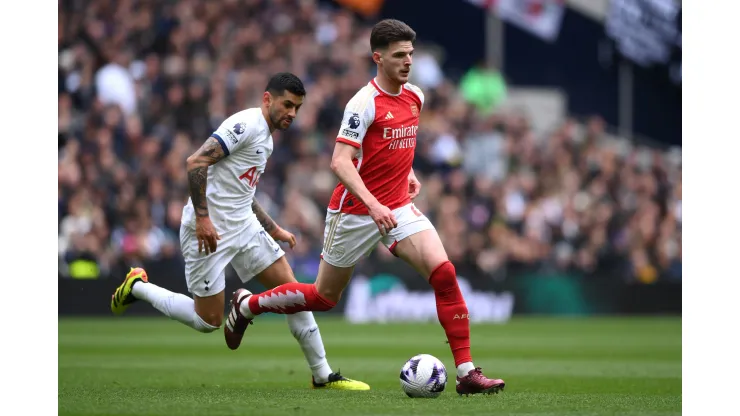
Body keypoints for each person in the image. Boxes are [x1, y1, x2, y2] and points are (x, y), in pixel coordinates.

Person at [223, 21, 506, 396]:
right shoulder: (363, 103)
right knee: (324, 297)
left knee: (445, 274)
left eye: (410, 54)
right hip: (355, 211)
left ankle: (467, 373)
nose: (408, 62)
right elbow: (341, 162)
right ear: (378, 58)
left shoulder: (415, 96)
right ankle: (247, 306)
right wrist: (372, 205)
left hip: (398, 207)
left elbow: (393, 147)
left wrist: (409, 173)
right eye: (399, 55)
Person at [110, 72, 369, 391]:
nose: (291, 113)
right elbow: (196, 162)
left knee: (293, 293)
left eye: (297, 108)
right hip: (208, 230)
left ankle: (322, 374)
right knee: (208, 322)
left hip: (244, 226)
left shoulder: (268, 140)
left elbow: (243, 193)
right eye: (287, 104)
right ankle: (138, 286)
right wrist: (204, 219)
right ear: (267, 99)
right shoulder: (245, 126)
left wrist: (274, 228)